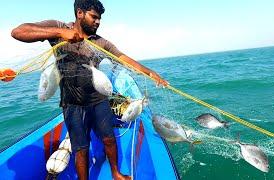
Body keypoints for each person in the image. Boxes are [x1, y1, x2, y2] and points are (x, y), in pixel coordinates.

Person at [11, 0, 168, 179]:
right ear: (79, 13)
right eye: (94, 17)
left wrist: (150, 72)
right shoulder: (59, 29)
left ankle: (116, 173)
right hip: (72, 105)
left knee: (109, 139)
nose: (98, 22)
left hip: (99, 101)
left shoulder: (100, 42)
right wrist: (61, 32)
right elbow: (18, 32)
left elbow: (123, 58)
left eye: (99, 19)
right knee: (81, 148)